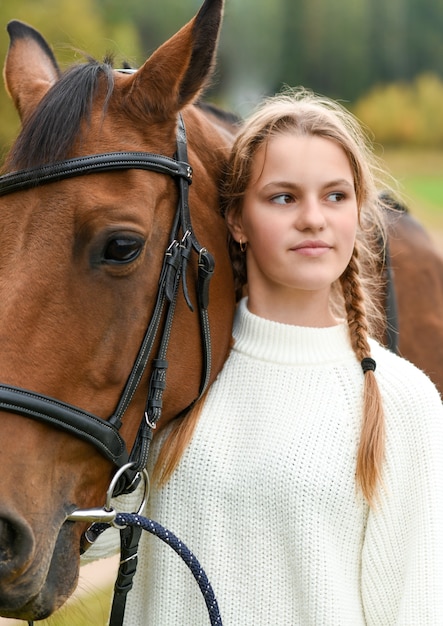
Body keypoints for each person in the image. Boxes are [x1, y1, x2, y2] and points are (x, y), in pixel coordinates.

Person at [84, 88, 443, 625]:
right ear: (236, 220)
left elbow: (414, 611)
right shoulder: (177, 374)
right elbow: (79, 535)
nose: (313, 219)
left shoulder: (402, 401)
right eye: (283, 197)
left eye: (335, 196)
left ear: (359, 213)